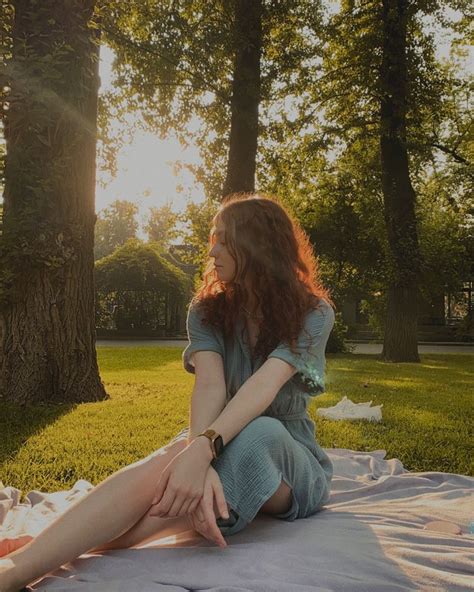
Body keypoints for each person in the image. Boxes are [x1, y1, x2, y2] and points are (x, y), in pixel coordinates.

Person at [0, 193, 335, 591]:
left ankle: (46, 553)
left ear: (259, 245)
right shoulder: (206, 308)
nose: (212, 250)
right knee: (175, 454)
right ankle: (25, 562)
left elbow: (263, 386)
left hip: (291, 460)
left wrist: (205, 449)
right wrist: (197, 452)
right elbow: (209, 386)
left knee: (259, 433)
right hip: (220, 434)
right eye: (213, 237)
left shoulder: (314, 312)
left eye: (224, 240)